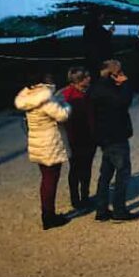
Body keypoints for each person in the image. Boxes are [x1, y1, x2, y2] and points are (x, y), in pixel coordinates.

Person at [15, 71, 72, 230]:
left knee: (46, 179)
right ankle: (49, 216)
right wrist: (66, 104)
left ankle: (47, 214)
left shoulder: (28, 97)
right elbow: (62, 115)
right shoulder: (45, 98)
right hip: (50, 143)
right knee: (50, 180)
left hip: (37, 141)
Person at [91, 60, 139, 221]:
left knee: (105, 173)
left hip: (104, 135)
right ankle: (119, 209)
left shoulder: (97, 87)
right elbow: (123, 103)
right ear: (114, 74)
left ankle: (101, 208)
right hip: (116, 135)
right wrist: (125, 85)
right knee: (122, 172)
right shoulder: (109, 89)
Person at [61, 67, 95, 212]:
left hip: (88, 135)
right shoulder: (66, 95)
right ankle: (76, 198)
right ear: (79, 79)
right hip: (74, 136)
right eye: (86, 76)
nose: (89, 78)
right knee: (76, 168)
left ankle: (84, 196)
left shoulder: (87, 92)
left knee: (85, 167)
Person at [82, 11, 115, 77]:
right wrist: (110, 33)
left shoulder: (88, 27)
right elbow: (103, 39)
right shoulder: (97, 27)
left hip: (91, 55)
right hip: (99, 55)